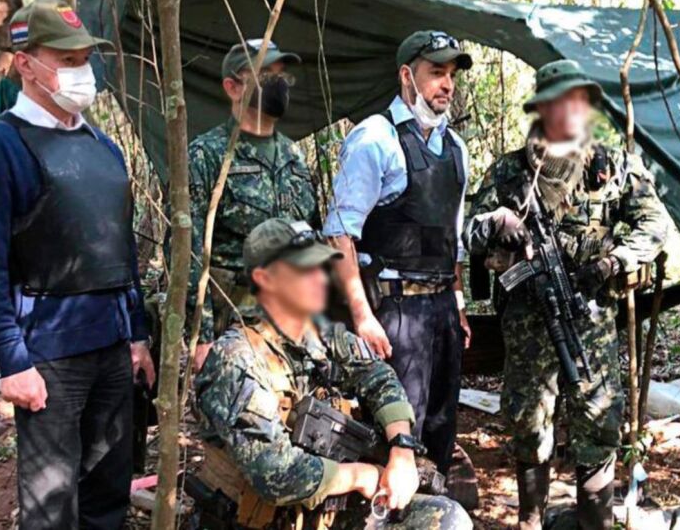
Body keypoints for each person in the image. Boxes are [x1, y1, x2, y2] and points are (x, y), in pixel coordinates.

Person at [0, 0, 154, 529]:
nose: (81, 71)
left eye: (84, 58)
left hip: (112, 348)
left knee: (107, 494)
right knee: (51, 507)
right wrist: (12, 360)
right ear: (25, 64)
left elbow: (121, 250)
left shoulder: (103, 147)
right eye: (66, 60)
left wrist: (137, 335)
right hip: (49, 356)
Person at [465, 59, 667, 529]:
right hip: (528, 319)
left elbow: (654, 224)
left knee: (598, 420)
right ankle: (530, 521)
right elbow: (467, 232)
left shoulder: (612, 166)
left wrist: (612, 263)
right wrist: (497, 221)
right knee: (528, 420)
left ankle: (594, 523)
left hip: (590, 315)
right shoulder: (510, 171)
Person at [194, 218, 472, 529]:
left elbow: (379, 376)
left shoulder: (320, 334)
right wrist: (362, 476)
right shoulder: (236, 359)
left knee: (446, 518)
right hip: (253, 520)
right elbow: (276, 473)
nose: (321, 278)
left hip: (316, 513)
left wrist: (402, 447)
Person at [324, 30, 473, 476]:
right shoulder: (376, 139)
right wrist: (362, 317)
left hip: (442, 310)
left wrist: (458, 304)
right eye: (436, 73)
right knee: (396, 436)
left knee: (441, 431)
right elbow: (340, 234)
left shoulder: (456, 149)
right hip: (395, 313)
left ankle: (433, 507)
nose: (447, 85)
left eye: (452, 75)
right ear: (407, 76)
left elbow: (451, 237)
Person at [188, 38, 317, 373]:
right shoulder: (208, 155)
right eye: (265, 75)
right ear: (232, 87)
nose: (278, 84)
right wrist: (200, 336)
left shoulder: (293, 156)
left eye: (282, 76)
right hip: (232, 326)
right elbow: (187, 251)